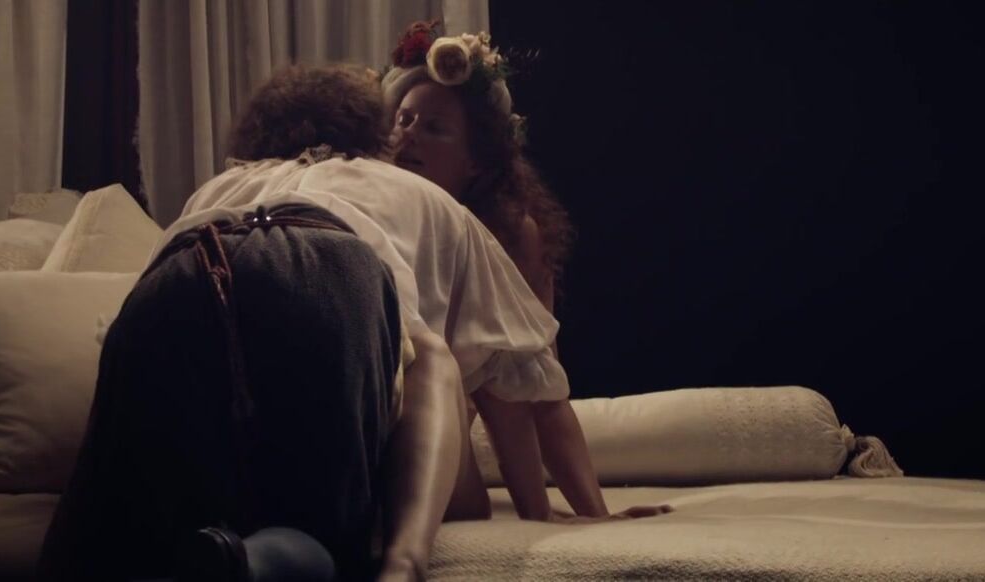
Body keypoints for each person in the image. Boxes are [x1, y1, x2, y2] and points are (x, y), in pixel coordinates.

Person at [38, 65, 471, 582]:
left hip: (182, 275)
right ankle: (400, 564)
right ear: (372, 132)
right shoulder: (411, 188)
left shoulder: (219, 185)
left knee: (160, 513)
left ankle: (215, 551)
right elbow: (517, 370)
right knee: (330, 506)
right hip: (326, 269)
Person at [381, 22, 623, 524]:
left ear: (475, 161)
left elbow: (539, 389)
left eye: (434, 128)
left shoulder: (510, 234)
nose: (409, 135)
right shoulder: (371, 210)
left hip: (439, 425)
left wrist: (594, 518)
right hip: (380, 414)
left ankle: (538, 515)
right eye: (403, 119)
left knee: (501, 358)